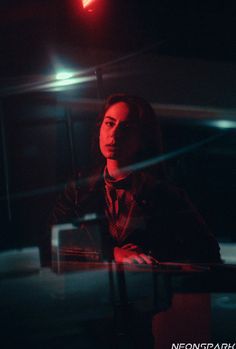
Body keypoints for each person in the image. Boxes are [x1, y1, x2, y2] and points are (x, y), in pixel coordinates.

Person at [47, 93, 221, 266]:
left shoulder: (164, 193)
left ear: (142, 138)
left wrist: (152, 253)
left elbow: (207, 250)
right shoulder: (79, 187)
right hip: (91, 289)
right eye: (109, 123)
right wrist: (113, 252)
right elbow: (53, 242)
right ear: (99, 128)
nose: (114, 135)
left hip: (147, 289)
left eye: (127, 127)